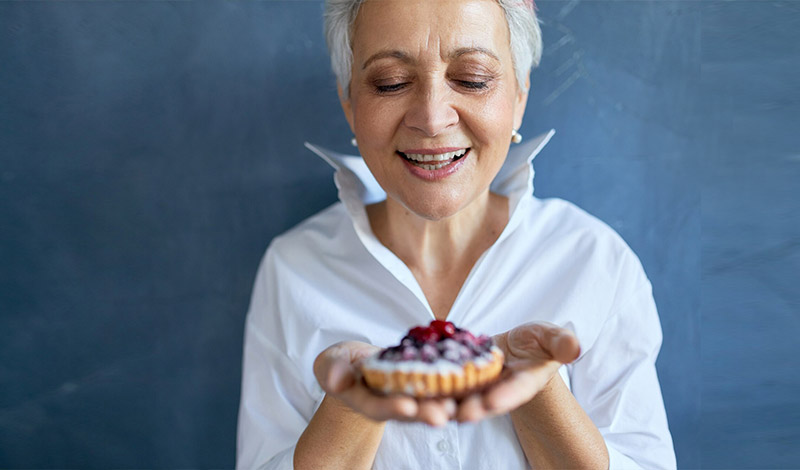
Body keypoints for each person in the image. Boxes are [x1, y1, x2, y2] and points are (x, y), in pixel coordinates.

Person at [237, 0, 676, 468]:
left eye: (472, 79)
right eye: (391, 83)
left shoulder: (596, 262)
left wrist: (542, 391)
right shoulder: (292, 268)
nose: (431, 117)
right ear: (349, 100)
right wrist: (349, 406)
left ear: (520, 95)